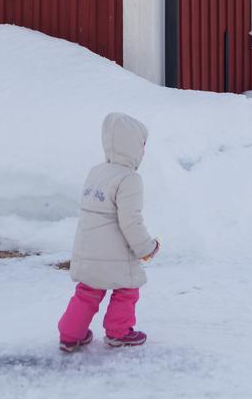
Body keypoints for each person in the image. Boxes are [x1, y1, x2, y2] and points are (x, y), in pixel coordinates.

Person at [57, 112, 160, 352]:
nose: (144, 151)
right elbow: (130, 221)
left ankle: (70, 335)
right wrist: (146, 247)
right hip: (116, 254)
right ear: (132, 146)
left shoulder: (96, 172)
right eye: (142, 145)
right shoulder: (130, 179)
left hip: (88, 249)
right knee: (127, 289)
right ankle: (119, 332)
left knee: (87, 292)